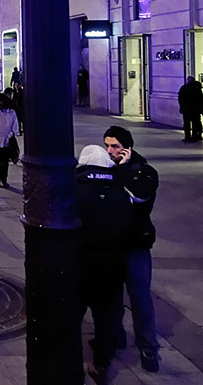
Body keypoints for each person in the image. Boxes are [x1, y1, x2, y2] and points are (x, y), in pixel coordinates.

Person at [75, 145, 135, 384]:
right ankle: (101, 363)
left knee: (71, 316)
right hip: (111, 267)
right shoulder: (120, 191)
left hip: (80, 265)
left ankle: (68, 359)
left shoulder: (74, 190)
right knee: (106, 318)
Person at [103, 125, 160, 372]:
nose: (110, 151)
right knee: (112, 296)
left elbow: (139, 198)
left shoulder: (144, 171)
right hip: (114, 243)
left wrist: (123, 170)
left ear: (127, 148)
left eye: (114, 146)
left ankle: (147, 346)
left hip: (135, 244)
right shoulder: (109, 168)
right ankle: (116, 336)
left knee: (140, 298)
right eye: (106, 145)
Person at [177, 76, 203, 142]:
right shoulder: (197, 89)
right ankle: (195, 136)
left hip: (186, 109)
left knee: (187, 123)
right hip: (195, 110)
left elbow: (180, 99)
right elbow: (201, 99)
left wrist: (181, 107)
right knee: (195, 123)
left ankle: (187, 136)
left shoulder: (184, 88)